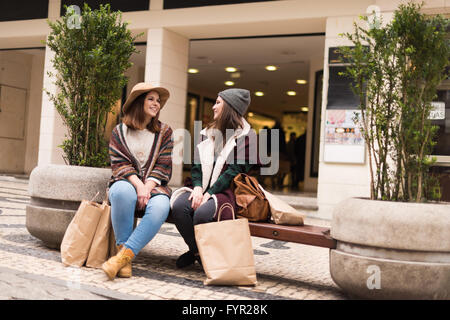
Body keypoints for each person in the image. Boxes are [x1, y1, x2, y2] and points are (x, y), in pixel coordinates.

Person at [170, 88, 258, 268]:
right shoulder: (207, 133)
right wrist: (197, 188)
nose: (213, 107)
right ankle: (198, 253)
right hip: (201, 188)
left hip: (226, 192)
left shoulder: (248, 137)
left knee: (202, 214)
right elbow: (196, 166)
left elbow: (234, 172)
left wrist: (209, 194)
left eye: (218, 103)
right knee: (179, 207)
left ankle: (199, 254)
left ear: (230, 107)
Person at [102, 83, 174, 280]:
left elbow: (163, 165)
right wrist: (139, 186)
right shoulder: (119, 131)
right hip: (127, 182)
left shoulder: (165, 132)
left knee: (161, 206)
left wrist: (147, 187)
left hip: (156, 186)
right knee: (122, 192)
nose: (156, 103)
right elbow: (119, 164)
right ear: (138, 102)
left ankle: (123, 257)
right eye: (151, 99)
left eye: (158, 100)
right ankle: (123, 253)